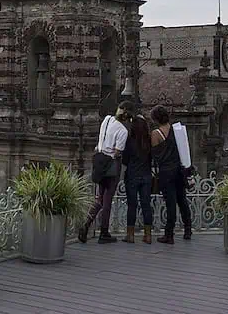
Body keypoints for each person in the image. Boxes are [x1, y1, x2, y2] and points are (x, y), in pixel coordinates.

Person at [78, 100, 132, 244]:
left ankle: (86, 225)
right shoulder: (123, 131)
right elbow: (118, 152)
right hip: (111, 164)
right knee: (107, 199)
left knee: (99, 198)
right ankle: (104, 232)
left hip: (99, 161)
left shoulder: (107, 120)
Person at [150, 104, 191, 244]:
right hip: (179, 170)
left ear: (155, 119)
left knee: (171, 203)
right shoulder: (176, 130)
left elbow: (155, 155)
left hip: (166, 172)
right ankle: (188, 229)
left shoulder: (156, 134)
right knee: (182, 200)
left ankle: (169, 234)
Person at [122, 114, 153, 244]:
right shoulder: (149, 141)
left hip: (132, 175)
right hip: (146, 175)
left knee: (132, 205)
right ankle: (148, 235)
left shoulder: (130, 141)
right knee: (146, 205)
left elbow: (125, 160)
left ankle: (130, 235)